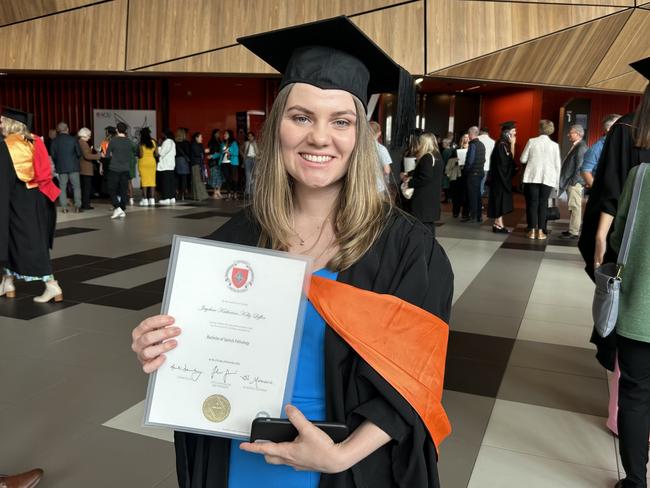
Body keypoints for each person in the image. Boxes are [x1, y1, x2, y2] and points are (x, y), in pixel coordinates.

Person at [130, 17, 453, 488]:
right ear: (278, 126)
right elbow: (202, 354)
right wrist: (162, 347)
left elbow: (416, 379)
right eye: (301, 117)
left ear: (361, 135)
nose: (319, 137)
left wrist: (343, 456)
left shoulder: (408, 248)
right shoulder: (230, 243)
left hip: (347, 465)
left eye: (340, 121)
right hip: (238, 454)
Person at [610, 164, 650, 488]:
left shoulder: (640, 175)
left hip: (641, 308)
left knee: (635, 396)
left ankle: (636, 481)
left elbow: (618, 237)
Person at [0, 107, 63, 303]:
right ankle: (7, 282)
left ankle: (52, 285)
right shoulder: (35, 140)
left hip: (16, 201)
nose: (0, 124)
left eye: (2, 121)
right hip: (38, 197)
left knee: (30, 243)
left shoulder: (7, 146)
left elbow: (4, 180)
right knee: (15, 241)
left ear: (11, 124)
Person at [520, 119, 561, 240]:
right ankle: (541, 232)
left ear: (540, 129)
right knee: (543, 204)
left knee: (532, 204)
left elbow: (523, 159)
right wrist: (557, 183)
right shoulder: (554, 145)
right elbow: (557, 165)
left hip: (532, 177)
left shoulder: (532, 141)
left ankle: (532, 231)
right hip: (548, 178)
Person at [403, 132, 443, 234]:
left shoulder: (427, 157)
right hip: (432, 196)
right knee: (429, 226)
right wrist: (410, 173)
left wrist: (410, 183)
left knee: (422, 226)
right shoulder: (437, 156)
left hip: (423, 197)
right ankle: (430, 246)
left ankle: (423, 247)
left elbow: (425, 177)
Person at [558, 124, 587, 240]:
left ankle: (574, 232)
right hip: (572, 182)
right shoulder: (577, 146)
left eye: (571, 132)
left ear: (578, 134)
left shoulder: (581, 147)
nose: (568, 134)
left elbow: (580, 168)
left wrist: (573, 182)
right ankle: (572, 229)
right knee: (572, 207)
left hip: (574, 183)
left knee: (575, 207)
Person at [487, 121, 516, 233]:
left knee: (499, 201)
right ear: (507, 133)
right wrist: (513, 144)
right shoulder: (502, 145)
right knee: (499, 201)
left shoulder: (502, 144)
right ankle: (499, 225)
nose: (514, 135)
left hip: (499, 179)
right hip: (500, 179)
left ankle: (497, 224)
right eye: (513, 132)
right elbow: (508, 163)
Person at [105, 122, 136, 219]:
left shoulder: (113, 141)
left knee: (111, 189)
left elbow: (107, 155)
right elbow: (134, 152)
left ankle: (117, 208)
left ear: (117, 130)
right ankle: (122, 209)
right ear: (125, 130)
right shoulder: (130, 142)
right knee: (123, 190)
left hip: (114, 168)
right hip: (125, 169)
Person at [582, 114, 621, 190]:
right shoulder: (597, 148)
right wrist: (598, 190)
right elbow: (585, 171)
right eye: (620, 126)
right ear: (609, 129)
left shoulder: (621, 145)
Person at [50, 121, 82, 213]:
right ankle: (77, 207)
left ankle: (64, 207)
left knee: (62, 188)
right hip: (73, 167)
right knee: (76, 187)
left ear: (58, 130)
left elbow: (53, 156)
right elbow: (79, 153)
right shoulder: (73, 139)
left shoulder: (54, 141)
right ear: (67, 129)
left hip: (61, 167)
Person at [462, 126, 485, 223]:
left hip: (472, 174)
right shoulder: (481, 144)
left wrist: (465, 171)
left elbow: (470, 161)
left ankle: (473, 216)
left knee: (472, 195)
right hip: (480, 172)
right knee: (478, 195)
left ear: (471, 134)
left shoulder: (473, 145)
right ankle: (479, 215)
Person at [77, 127, 102, 210]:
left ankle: (84, 204)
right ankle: (86, 204)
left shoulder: (79, 142)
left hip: (82, 168)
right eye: (89, 135)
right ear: (84, 135)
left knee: (84, 187)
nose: (90, 137)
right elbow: (87, 156)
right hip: (86, 168)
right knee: (86, 188)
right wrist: (98, 156)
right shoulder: (83, 143)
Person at [369, 121, 392, 193]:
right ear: (379, 133)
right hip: (377, 186)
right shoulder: (381, 149)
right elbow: (387, 170)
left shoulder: (358, 148)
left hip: (361, 185)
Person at [449, 133, 469, 219]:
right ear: (462, 139)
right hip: (457, 174)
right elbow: (450, 161)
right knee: (456, 194)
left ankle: (465, 213)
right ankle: (455, 212)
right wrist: (456, 161)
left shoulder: (471, 149)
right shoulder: (456, 149)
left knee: (465, 194)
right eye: (464, 137)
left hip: (466, 174)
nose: (466, 139)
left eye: (468, 137)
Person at [137, 127, 157, 206]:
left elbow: (141, 155)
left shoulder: (141, 143)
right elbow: (156, 154)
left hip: (143, 163)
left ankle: (145, 199)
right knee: (152, 181)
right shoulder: (153, 142)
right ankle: (152, 199)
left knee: (144, 181)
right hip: (152, 162)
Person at [157, 129, 176, 205]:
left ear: (165, 135)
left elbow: (161, 153)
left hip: (165, 165)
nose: (161, 136)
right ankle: (172, 197)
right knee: (171, 182)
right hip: (171, 165)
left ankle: (166, 198)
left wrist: (159, 146)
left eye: (162, 134)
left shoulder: (166, 142)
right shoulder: (173, 142)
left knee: (165, 182)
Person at [190, 132, 210, 201]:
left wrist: (203, 152)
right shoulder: (193, 145)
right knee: (197, 180)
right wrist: (204, 151)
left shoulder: (199, 145)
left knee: (201, 179)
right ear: (196, 138)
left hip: (200, 164)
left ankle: (201, 195)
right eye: (201, 137)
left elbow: (201, 154)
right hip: (196, 164)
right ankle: (199, 196)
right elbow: (197, 153)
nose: (202, 138)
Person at [221, 129, 240, 199]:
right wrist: (212, 156)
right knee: (227, 179)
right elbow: (221, 153)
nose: (224, 135)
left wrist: (230, 152)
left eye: (226, 134)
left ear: (230, 135)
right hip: (224, 163)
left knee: (234, 179)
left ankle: (235, 193)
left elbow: (237, 153)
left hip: (233, 163)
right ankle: (228, 194)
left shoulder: (234, 143)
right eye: (224, 134)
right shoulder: (222, 143)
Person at [174, 128, 191, 201]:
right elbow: (188, 152)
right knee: (184, 177)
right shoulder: (186, 142)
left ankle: (177, 191)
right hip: (183, 160)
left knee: (177, 177)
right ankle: (183, 194)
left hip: (176, 160)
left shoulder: (175, 142)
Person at [478, 127, 495, 197]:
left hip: (476, 165)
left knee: (474, 184)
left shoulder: (477, 138)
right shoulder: (492, 141)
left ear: (481, 131)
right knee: (482, 184)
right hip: (486, 166)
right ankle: (479, 203)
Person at [207, 128, 223, 199]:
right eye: (217, 133)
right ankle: (214, 192)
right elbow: (208, 151)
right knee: (214, 176)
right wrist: (211, 155)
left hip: (219, 161)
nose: (218, 134)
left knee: (220, 176)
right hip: (213, 162)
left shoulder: (220, 141)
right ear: (214, 134)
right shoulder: (211, 141)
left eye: (219, 133)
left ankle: (218, 191)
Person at [243, 131, 259, 198]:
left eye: (251, 136)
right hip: (248, 159)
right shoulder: (246, 143)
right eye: (249, 136)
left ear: (253, 136)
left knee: (254, 176)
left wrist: (259, 156)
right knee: (248, 176)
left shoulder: (256, 143)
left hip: (255, 159)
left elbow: (260, 150)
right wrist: (244, 156)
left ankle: (253, 192)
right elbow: (240, 149)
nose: (250, 137)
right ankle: (248, 192)